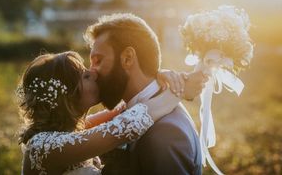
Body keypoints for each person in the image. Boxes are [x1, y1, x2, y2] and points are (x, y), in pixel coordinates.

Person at [18, 51, 204, 175]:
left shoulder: (74, 130)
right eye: (85, 76)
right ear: (67, 96)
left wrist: (156, 78)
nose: (94, 73)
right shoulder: (41, 148)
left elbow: (126, 110)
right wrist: (179, 91)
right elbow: (125, 126)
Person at [84, 13, 206, 174]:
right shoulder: (131, 110)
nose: (92, 72)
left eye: (98, 61)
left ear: (127, 58)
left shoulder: (165, 134)